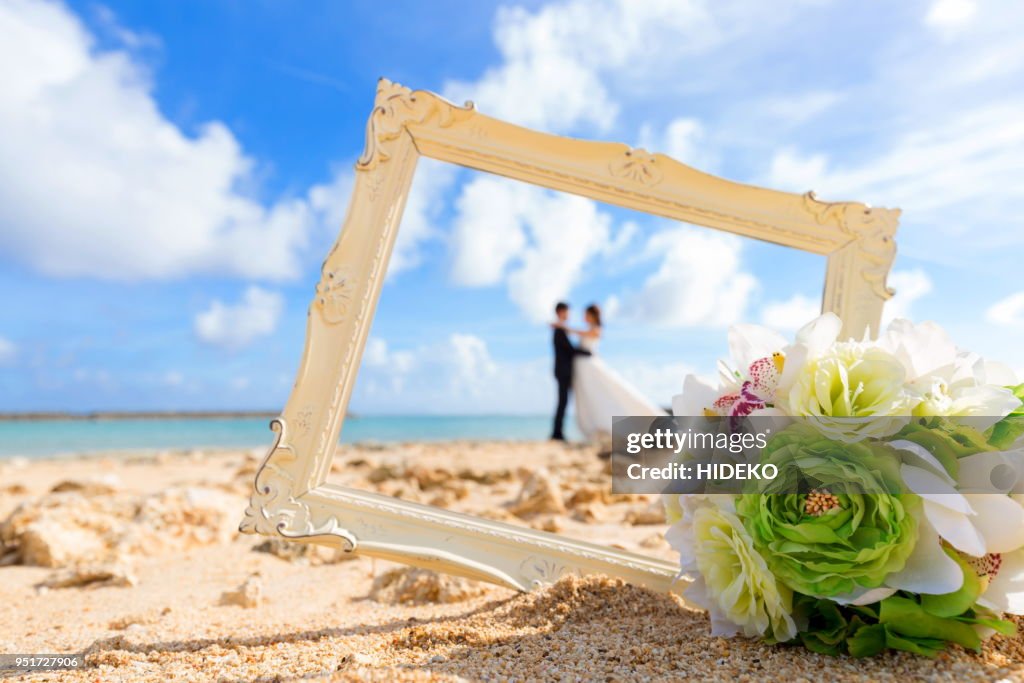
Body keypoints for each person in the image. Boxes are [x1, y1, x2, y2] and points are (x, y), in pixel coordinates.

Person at [552, 303, 666, 442]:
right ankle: (567, 430)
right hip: (581, 370)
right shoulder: (574, 330)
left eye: (587, 314)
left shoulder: (595, 330)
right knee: (589, 398)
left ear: (593, 315)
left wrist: (563, 326)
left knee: (606, 393)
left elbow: (579, 343)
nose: (584, 317)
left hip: (590, 368)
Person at [550, 302, 590, 441]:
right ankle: (557, 433)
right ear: (561, 312)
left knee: (563, 402)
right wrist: (586, 353)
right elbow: (570, 350)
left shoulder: (560, 329)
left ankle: (557, 432)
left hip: (564, 370)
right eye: (567, 311)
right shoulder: (559, 330)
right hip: (563, 371)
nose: (568, 315)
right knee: (562, 401)